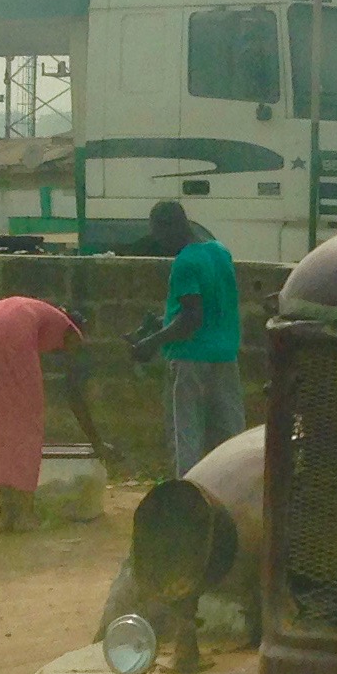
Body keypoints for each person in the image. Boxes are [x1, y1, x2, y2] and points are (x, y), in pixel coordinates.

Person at [0, 297, 109, 533]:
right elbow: (74, 392)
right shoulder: (69, 330)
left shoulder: (42, 314)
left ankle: (6, 514)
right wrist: (97, 442)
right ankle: (24, 515)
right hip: (12, 333)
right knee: (25, 424)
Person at [125, 201, 243, 477]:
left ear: (169, 227)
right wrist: (161, 323)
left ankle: (187, 492)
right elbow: (210, 308)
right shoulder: (220, 252)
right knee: (228, 436)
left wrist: (151, 342)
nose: (159, 241)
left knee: (187, 437)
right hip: (225, 355)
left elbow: (191, 318)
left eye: (158, 234)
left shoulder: (185, 262)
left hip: (190, 358)